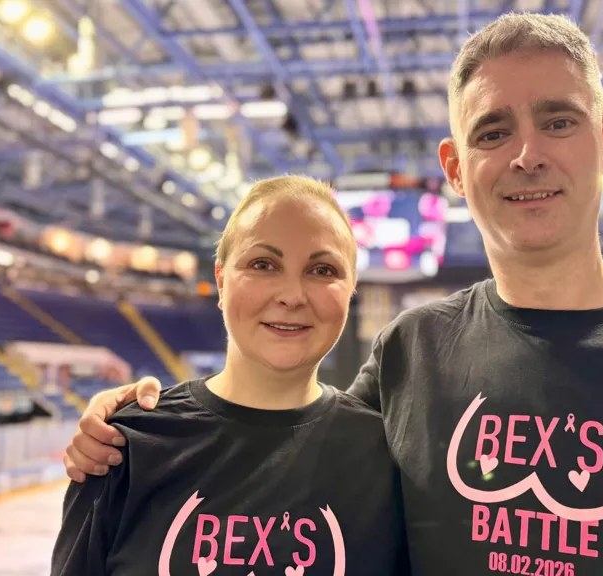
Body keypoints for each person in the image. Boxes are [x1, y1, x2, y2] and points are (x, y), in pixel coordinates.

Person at [62, 13, 603, 576]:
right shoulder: (413, 349)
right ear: (454, 167)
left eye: (558, 121)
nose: (525, 155)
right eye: (491, 132)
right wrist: (137, 422)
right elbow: (279, 440)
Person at [51, 176, 409, 575]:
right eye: (263, 264)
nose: (292, 295)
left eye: (322, 270)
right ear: (221, 280)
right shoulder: (122, 446)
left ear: (351, 289)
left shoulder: (389, 458)